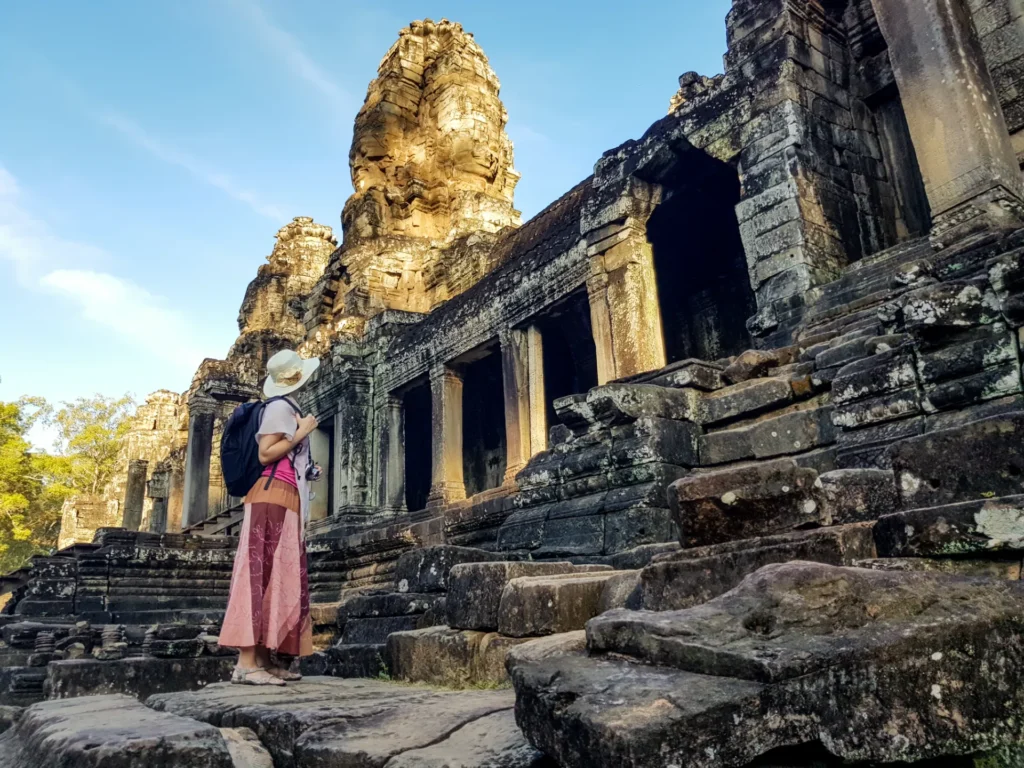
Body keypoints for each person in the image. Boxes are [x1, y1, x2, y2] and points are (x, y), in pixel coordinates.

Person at [220, 349, 321, 685]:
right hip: (270, 497)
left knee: (277, 575)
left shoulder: (286, 406)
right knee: (259, 571)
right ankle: (246, 663)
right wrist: (301, 432)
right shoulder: (280, 407)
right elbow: (266, 454)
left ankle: (262, 658)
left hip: (285, 497)